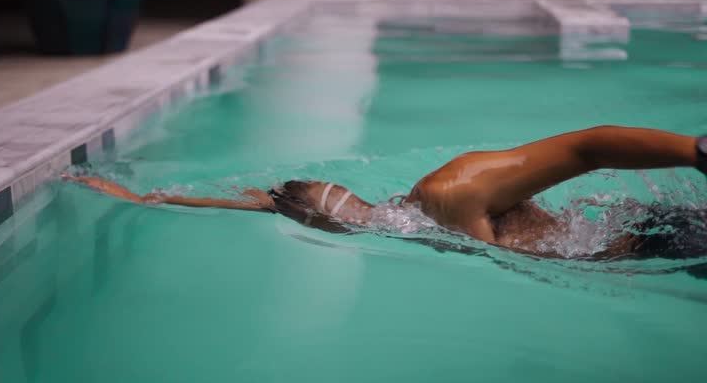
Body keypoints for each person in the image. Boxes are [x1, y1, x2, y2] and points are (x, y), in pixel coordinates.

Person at [64, 126, 707, 260]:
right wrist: (147, 200)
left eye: (330, 202)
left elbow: (590, 147)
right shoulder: (399, 224)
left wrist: (700, 153)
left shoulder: (451, 192)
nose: (338, 209)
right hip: (648, 243)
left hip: (661, 237)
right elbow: (269, 203)